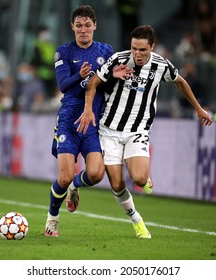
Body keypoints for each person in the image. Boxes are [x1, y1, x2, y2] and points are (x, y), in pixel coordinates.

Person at [74, 25, 213, 239]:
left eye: (143, 50)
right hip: (109, 130)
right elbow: (93, 83)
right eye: (134, 49)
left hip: (137, 130)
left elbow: (180, 82)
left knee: (138, 179)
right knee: (117, 183)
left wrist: (199, 108)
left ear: (152, 47)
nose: (137, 54)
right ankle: (137, 221)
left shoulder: (161, 65)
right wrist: (87, 110)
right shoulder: (118, 59)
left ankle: (143, 177)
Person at [45, 5, 114, 237]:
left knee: (95, 174)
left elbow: (110, 84)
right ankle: (52, 219)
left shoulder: (107, 50)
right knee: (63, 177)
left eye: (87, 25)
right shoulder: (63, 52)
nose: (83, 29)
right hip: (68, 121)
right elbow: (63, 86)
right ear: (72, 27)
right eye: (78, 25)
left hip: (93, 121)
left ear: (95, 26)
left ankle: (76, 185)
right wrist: (81, 76)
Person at [31, 25, 56, 98]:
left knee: (50, 93)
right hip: (41, 74)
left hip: (50, 73)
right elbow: (37, 60)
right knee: (42, 94)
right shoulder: (37, 44)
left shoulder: (50, 45)